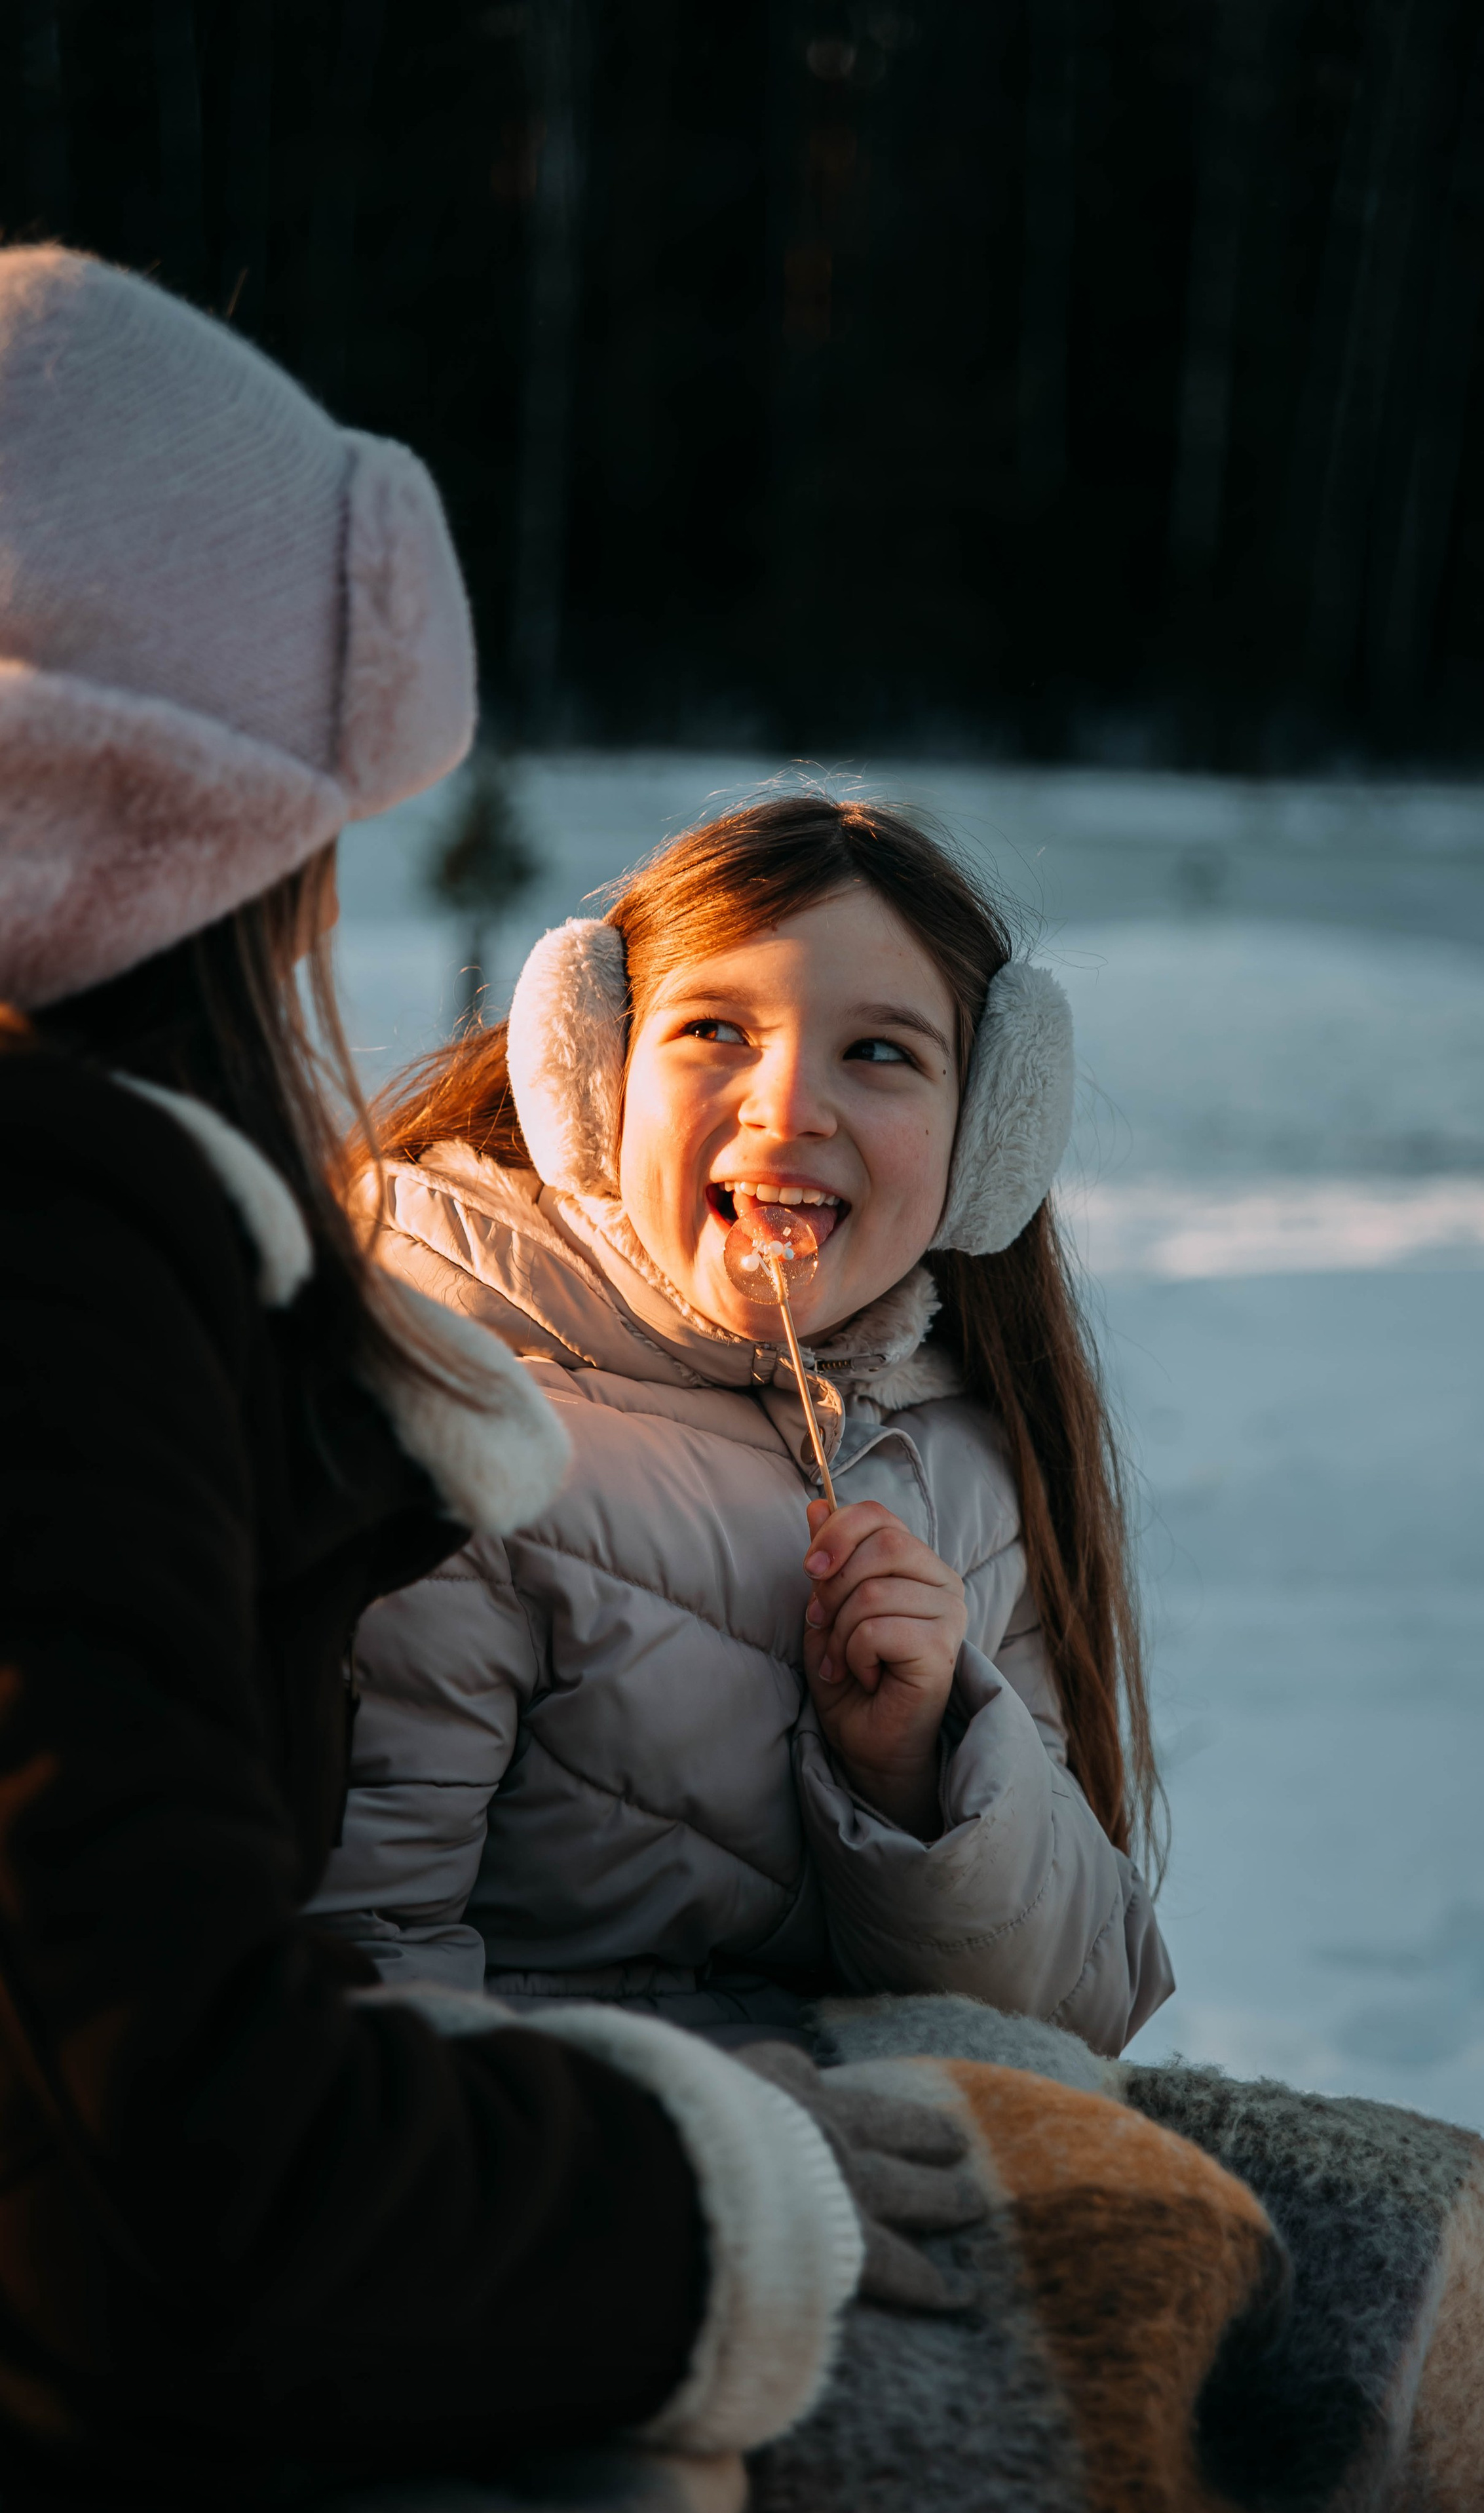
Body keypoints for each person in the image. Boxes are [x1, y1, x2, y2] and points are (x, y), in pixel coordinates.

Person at [0, 246, 891, 2507]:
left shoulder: (946, 1437)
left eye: (888, 1050)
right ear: (185, 819)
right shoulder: (54, 1231)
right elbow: (168, 2178)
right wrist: (733, 2200)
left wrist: (937, 1765)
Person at [309, 794, 1173, 2056]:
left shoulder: (975, 1478)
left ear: (988, 1142)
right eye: (715, 1028)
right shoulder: (451, 1427)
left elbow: (1084, 2008)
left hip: (871, 2129)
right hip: (556, 2159)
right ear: (590, 1084)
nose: (787, 1110)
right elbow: (357, 1974)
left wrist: (920, 1770)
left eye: (879, 1052)